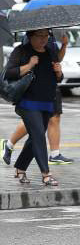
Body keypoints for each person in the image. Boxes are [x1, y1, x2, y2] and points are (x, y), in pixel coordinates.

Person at [1, 33, 73, 166]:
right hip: (31, 94)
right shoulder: (25, 46)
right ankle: (10, 145)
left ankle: (54, 154)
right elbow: (10, 72)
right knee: (36, 129)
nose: (43, 38)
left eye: (45, 35)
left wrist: (64, 45)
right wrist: (30, 65)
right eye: (40, 35)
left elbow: (57, 60)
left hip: (49, 91)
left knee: (53, 119)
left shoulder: (50, 40)